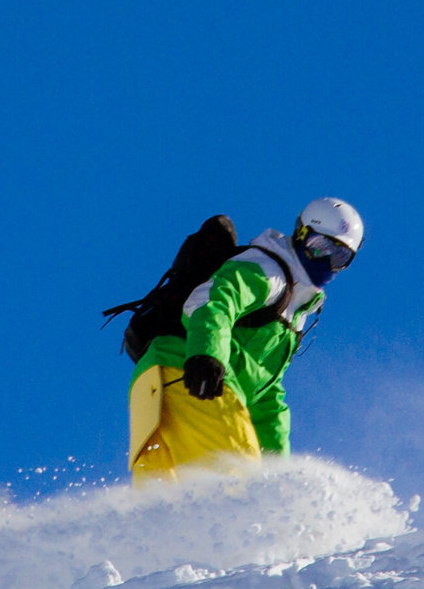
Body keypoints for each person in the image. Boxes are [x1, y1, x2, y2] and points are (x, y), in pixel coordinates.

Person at [125, 197, 365, 483]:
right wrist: (206, 355)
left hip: (156, 383)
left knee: (164, 500)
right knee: (238, 482)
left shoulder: (293, 311)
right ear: (300, 235)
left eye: (339, 257)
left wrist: (278, 474)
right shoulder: (270, 271)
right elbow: (214, 299)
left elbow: (265, 395)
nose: (326, 261)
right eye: (319, 247)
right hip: (194, 378)